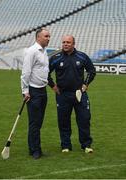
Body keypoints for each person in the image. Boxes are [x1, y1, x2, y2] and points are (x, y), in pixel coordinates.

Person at [48, 35, 96, 153]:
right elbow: (45, 73)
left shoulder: (82, 56)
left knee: (84, 119)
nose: (65, 44)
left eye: (68, 42)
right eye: (64, 42)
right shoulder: (55, 58)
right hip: (63, 95)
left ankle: (86, 145)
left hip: (80, 94)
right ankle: (66, 145)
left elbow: (91, 71)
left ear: (74, 44)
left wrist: (85, 84)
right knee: (63, 121)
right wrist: (53, 86)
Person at [21, 28, 50, 159]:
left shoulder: (44, 52)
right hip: (33, 91)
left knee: (38, 122)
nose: (48, 38)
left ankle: (34, 147)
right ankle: (35, 150)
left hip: (43, 90)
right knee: (34, 122)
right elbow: (26, 72)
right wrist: (25, 91)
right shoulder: (31, 51)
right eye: (46, 36)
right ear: (38, 37)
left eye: (49, 36)